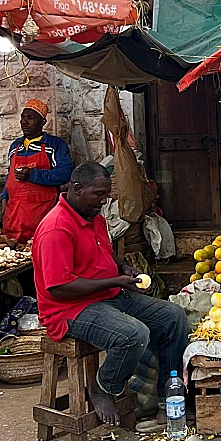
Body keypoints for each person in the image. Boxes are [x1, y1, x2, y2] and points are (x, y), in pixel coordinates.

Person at [32, 162, 189, 426]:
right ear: (77, 189)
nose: (104, 202)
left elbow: (102, 254)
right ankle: (104, 386)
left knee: (174, 316)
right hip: (70, 310)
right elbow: (59, 287)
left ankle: (168, 402)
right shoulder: (56, 228)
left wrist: (122, 267)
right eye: (99, 195)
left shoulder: (94, 218)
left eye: (106, 195)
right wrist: (113, 281)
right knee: (133, 334)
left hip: (108, 296)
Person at [2, 99, 73, 243]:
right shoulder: (15, 146)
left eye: (30, 118)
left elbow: (65, 174)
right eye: (23, 117)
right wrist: (4, 197)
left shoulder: (55, 145)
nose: (24, 122)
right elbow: (10, 176)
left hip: (43, 216)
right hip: (14, 217)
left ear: (42, 122)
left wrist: (33, 174)